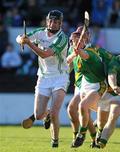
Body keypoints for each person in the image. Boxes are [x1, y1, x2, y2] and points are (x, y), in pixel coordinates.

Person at [16, 10, 69, 148]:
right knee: (38, 115)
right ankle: (46, 115)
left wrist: (29, 44)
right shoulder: (40, 32)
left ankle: (55, 141)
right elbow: (21, 37)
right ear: (47, 21)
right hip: (43, 77)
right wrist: (21, 39)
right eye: (51, 21)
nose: (54, 24)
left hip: (60, 77)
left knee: (55, 112)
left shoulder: (62, 38)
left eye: (57, 22)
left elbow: (45, 54)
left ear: (61, 23)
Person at [69, 26, 113, 148]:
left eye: (82, 38)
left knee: (84, 106)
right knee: (84, 110)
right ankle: (93, 137)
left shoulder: (90, 51)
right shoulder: (75, 52)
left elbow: (84, 55)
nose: (79, 40)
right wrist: (75, 50)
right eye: (76, 39)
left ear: (87, 38)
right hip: (84, 84)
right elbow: (67, 62)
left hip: (98, 85)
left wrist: (114, 81)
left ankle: (82, 134)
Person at [66, 31, 97, 148]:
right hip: (78, 86)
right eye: (77, 35)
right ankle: (90, 138)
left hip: (90, 86)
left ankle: (82, 137)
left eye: (83, 35)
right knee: (81, 114)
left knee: (74, 109)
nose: (80, 37)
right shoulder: (72, 49)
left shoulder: (92, 49)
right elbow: (68, 66)